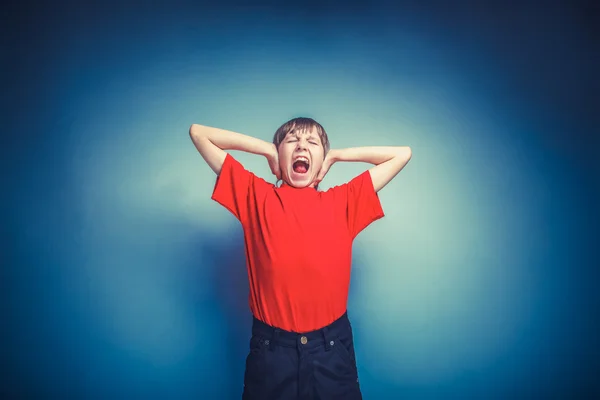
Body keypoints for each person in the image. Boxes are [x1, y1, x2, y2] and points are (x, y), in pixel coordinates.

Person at [190, 117, 412, 400]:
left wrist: (338, 155)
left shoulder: (344, 201)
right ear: (279, 157)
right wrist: (265, 149)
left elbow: (401, 154)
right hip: (271, 353)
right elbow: (199, 133)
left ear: (321, 163)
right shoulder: (254, 195)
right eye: (292, 141)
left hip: (331, 349)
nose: (301, 147)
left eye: (312, 143)